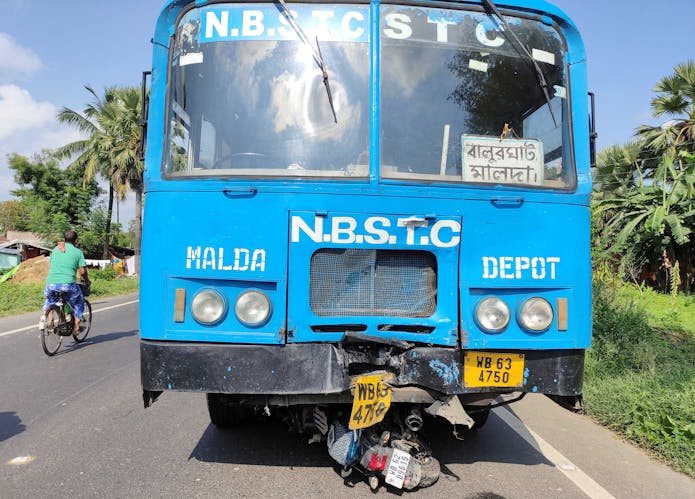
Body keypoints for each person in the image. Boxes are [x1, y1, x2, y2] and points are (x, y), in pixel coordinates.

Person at [39, 230, 90, 333]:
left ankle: (50, 316)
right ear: (76, 240)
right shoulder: (78, 252)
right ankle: (76, 326)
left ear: (64, 239)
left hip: (50, 283)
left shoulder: (56, 249)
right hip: (67, 284)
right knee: (79, 301)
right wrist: (87, 280)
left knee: (51, 300)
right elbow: (83, 271)